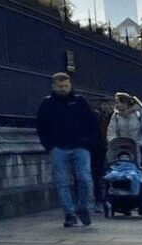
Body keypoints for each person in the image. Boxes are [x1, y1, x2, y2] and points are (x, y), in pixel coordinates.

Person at [36, 72, 98, 227]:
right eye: (59, 86)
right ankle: (69, 214)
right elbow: (41, 126)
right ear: (53, 86)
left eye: (65, 86)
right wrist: (49, 146)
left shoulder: (80, 101)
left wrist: (88, 141)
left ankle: (83, 207)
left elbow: (91, 122)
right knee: (62, 182)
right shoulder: (47, 103)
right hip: (58, 148)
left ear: (70, 85)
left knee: (85, 179)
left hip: (80, 146)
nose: (63, 89)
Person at [108, 93, 142, 197]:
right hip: (122, 148)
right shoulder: (116, 115)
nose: (115, 105)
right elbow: (112, 131)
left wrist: (141, 143)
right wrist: (114, 142)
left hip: (141, 147)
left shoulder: (141, 113)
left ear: (125, 103)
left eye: (117, 102)